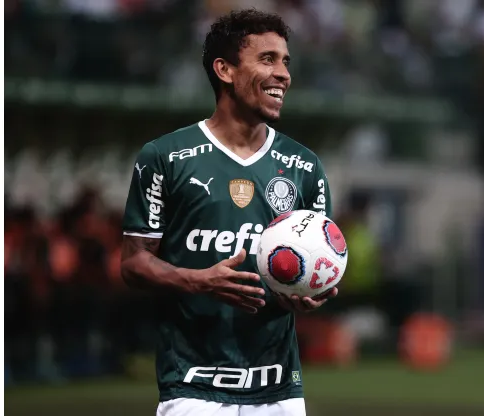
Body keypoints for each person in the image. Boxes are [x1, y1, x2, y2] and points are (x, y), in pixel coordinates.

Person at [120, 9, 337, 416]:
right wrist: (199, 280)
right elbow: (133, 264)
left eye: (286, 61)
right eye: (267, 59)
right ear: (224, 69)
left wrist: (309, 294)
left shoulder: (305, 167)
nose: (283, 74)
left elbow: (318, 263)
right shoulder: (165, 157)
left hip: (280, 390)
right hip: (191, 386)